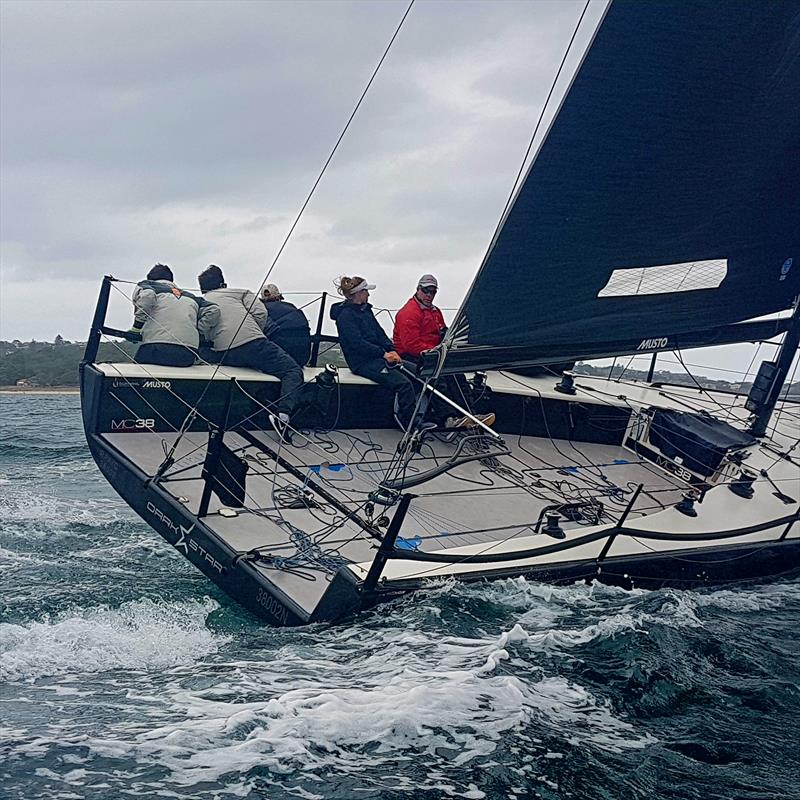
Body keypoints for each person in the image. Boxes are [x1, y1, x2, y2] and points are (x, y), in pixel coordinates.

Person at [198, 265, 304, 438]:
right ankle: (283, 416)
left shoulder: (202, 302)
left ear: (202, 288)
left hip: (224, 352)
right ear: (223, 283)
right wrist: (256, 331)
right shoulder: (241, 292)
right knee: (292, 370)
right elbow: (261, 312)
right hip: (254, 345)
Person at [393, 274, 495, 428]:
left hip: (434, 353)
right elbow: (411, 346)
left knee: (456, 374)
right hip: (412, 356)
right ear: (418, 290)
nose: (429, 295)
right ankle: (448, 418)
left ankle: (469, 413)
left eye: (433, 292)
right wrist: (436, 352)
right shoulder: (408, 313)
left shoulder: (435, 312)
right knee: (437, 378)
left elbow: (443, 333)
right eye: (426, 291)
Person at [330, 276, 419, 429]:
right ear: (359, 293)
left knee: (417, 373)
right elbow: (356, 343)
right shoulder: (345, 316)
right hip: (363, 362)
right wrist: (383, 354)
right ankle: (409, 422)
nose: (369, 295)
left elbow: (380, 333)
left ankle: (414, 413)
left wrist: (392, 350)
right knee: (403, 384)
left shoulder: (366, 311)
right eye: (366, 291)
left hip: (380, 356)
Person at [130, 263, 219, 367]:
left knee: (136, 372)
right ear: (171, 280)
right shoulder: (190, 297)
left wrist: (137, 327)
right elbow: (213, 310)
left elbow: (148, 296)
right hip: (188, 352)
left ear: (151, 279)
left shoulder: (147, 285)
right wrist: (197, 331)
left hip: (156, 348)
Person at [260, 283, 312, 367]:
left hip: (276, 359)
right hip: (301, 359)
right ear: (279, 297)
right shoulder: (292, 307)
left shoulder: (261, 310)